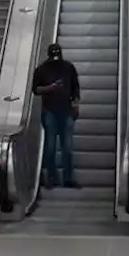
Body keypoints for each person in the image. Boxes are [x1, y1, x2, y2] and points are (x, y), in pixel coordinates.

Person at [32, 42, 81, 188]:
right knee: (50, 146)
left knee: (67, 147)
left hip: (66, 110)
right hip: (49, 111)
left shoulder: (68, 67)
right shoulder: (41, 69)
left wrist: (75, 105)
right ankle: (52, 177)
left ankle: (68, 178)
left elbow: (75, 88)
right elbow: (35, 90)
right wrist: (50, 88)